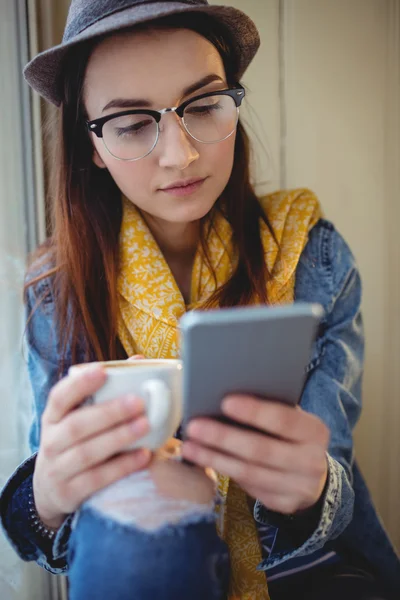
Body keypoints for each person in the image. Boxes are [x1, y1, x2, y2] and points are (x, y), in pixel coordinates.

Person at [0, 0, 399, 599]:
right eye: (133, 122)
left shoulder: (309, 252)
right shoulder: (59, 289)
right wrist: (49, 496)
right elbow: (47, 524)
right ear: (92, 146)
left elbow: (332, 477)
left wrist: (311, 489)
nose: (179, 154)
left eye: (205, 105)